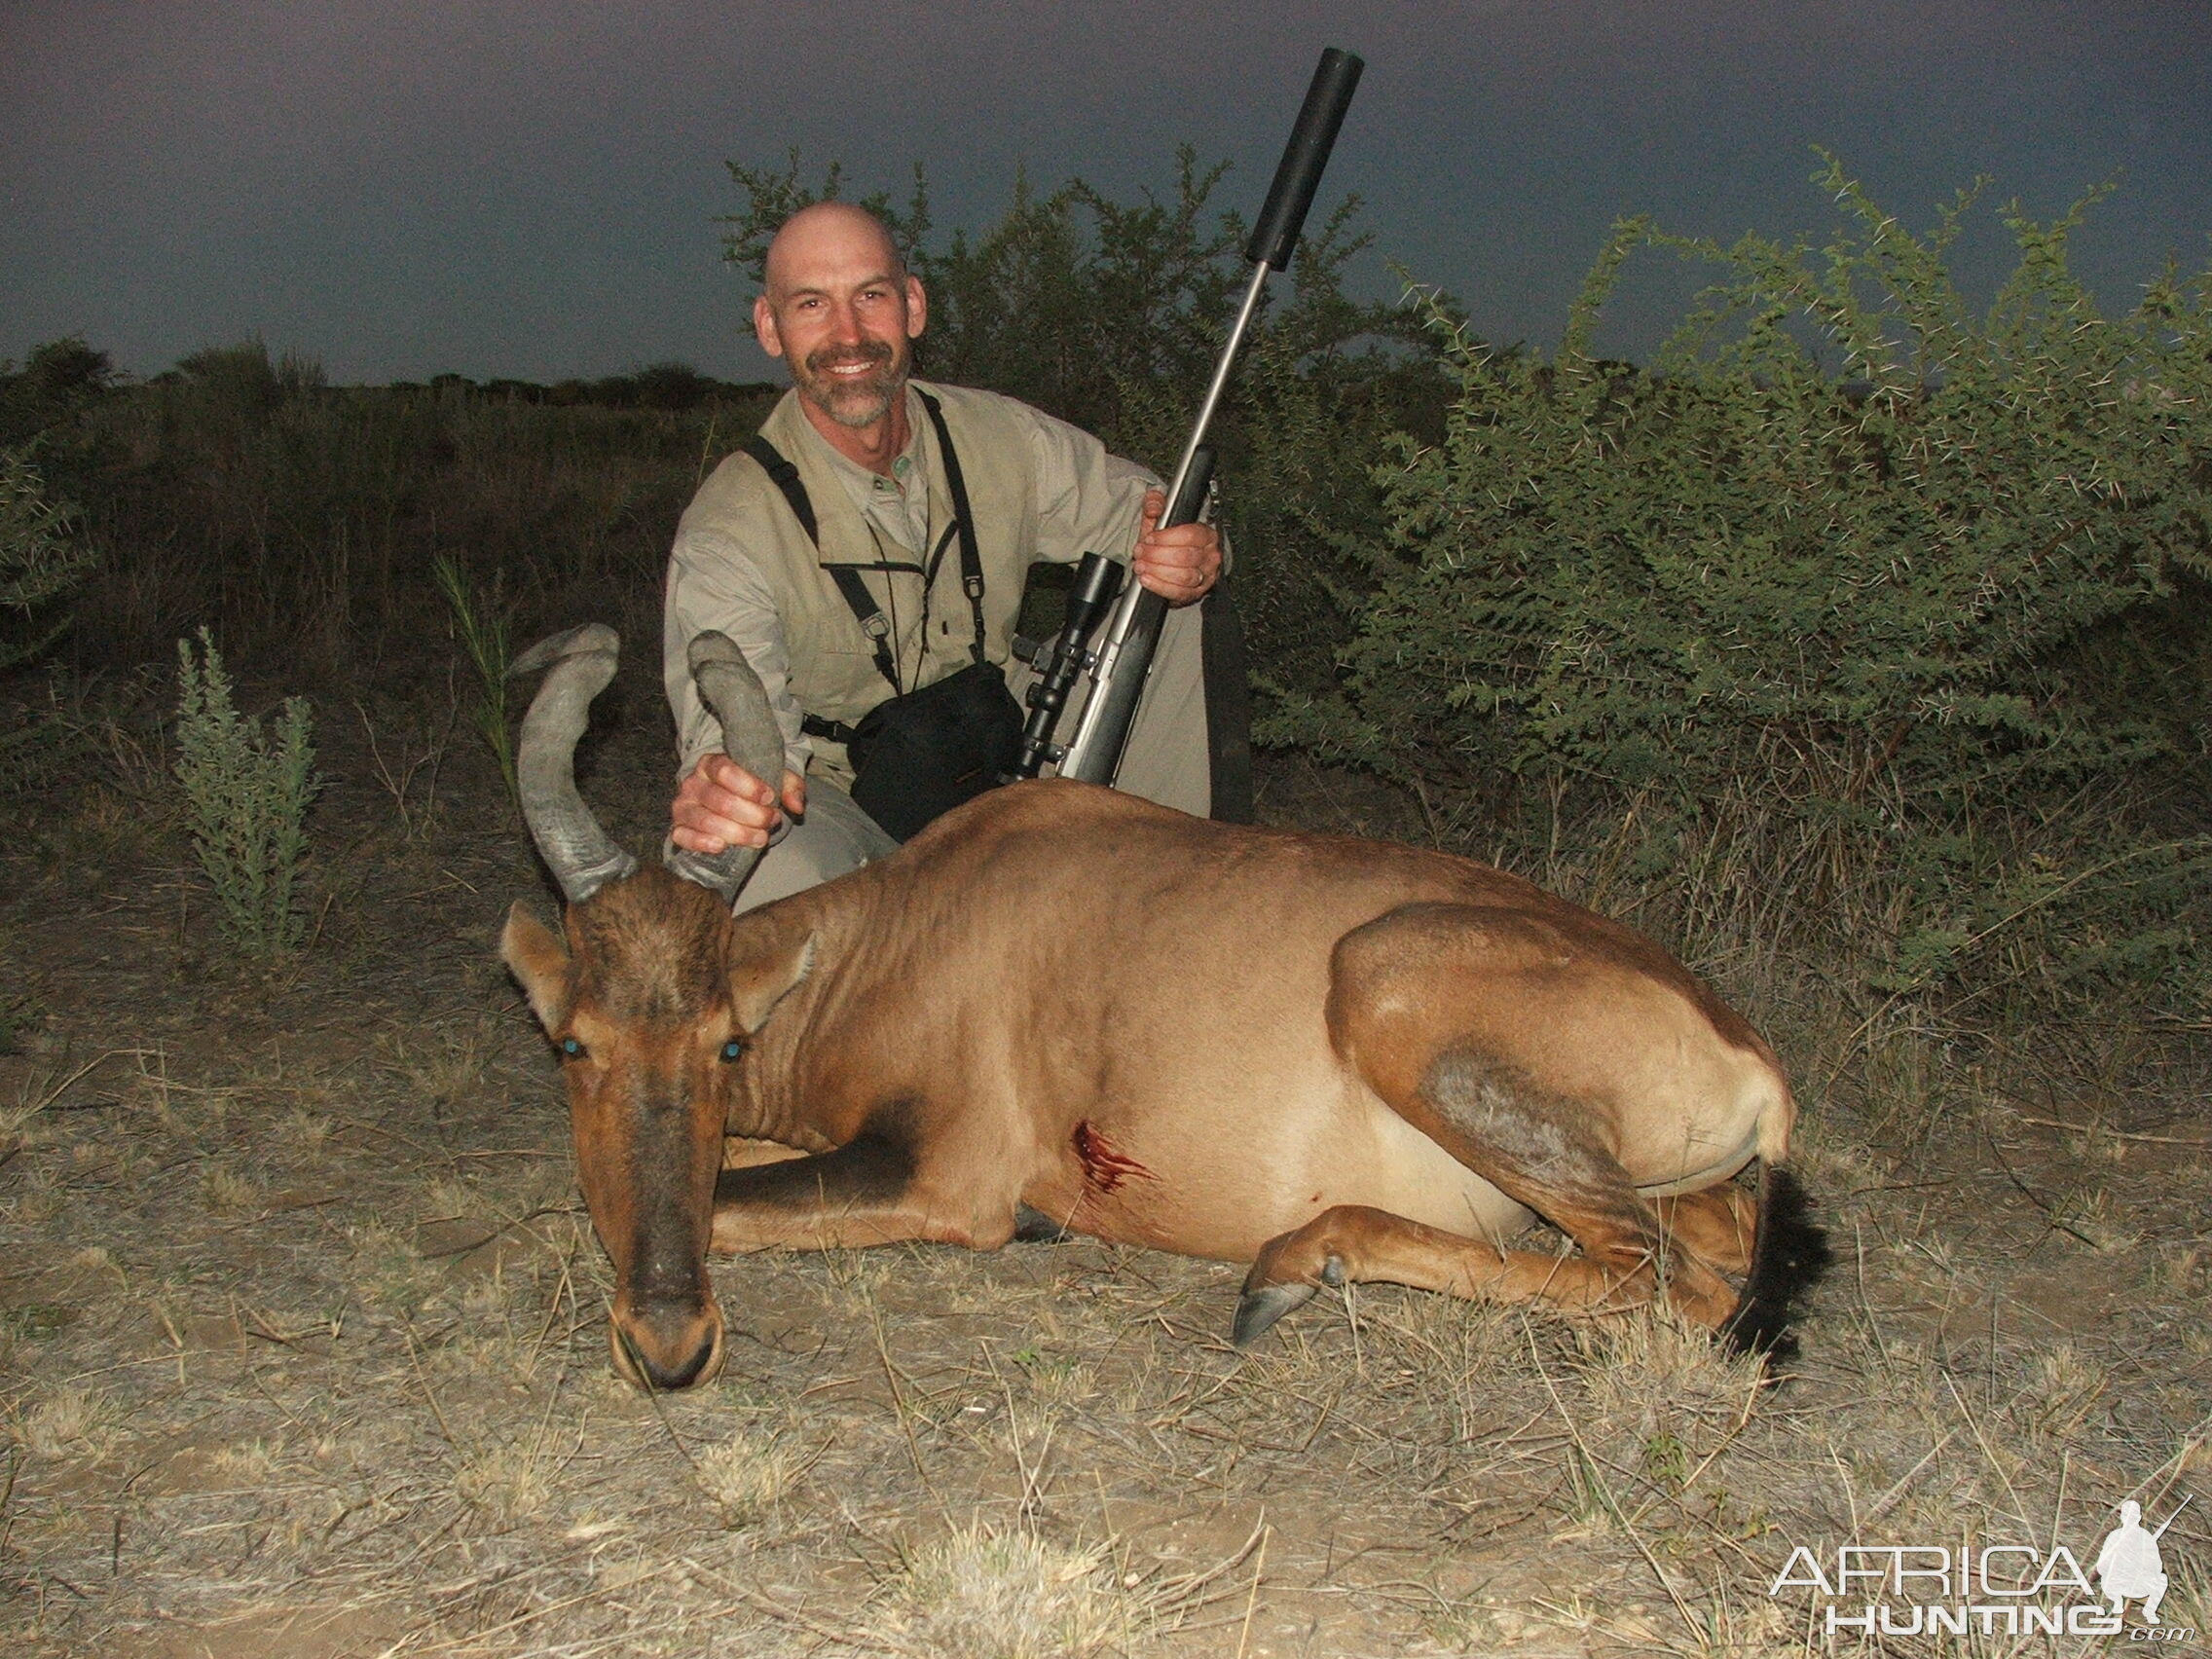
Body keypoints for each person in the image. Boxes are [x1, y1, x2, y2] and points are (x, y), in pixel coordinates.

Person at [664, 202, 1226, 908]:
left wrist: (1194, 552)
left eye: (871, 295)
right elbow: (736, 732)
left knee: (1169, 608)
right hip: (847, 801)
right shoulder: (727, 530)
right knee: (752, 862)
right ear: (771, 328)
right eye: (812, 304)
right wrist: (726, 788)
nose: (849, 334)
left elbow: (1158, 512)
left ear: (915, 306)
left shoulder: (999, 435)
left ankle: (1163, 896)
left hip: (1007, 742)